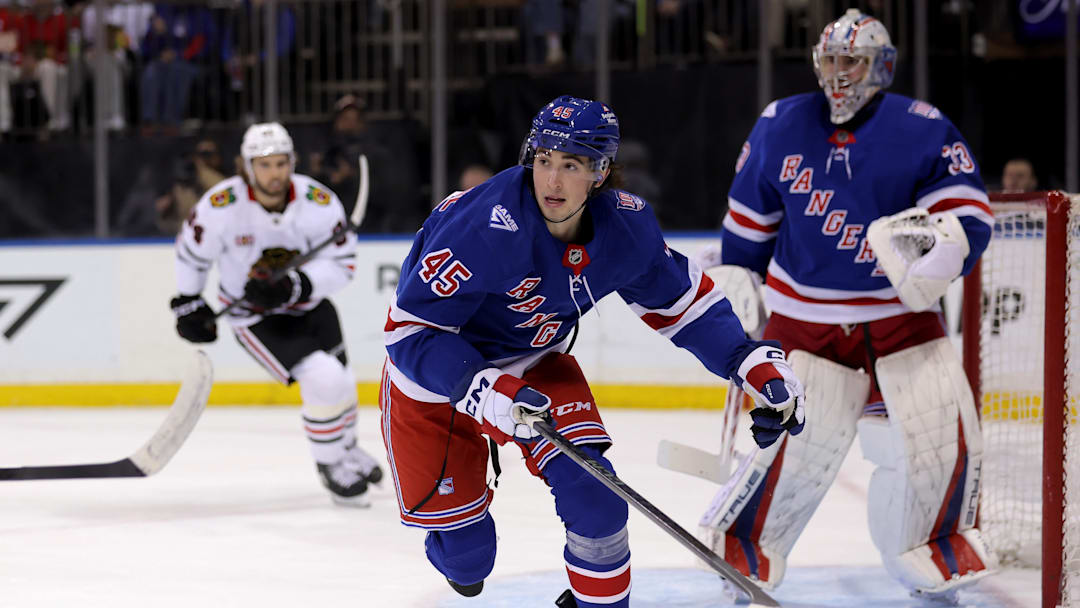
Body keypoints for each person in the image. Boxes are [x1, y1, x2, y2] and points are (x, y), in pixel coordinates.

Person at [379, 95, 807, 607]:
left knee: (599, 500)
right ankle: (460, 537)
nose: (552, 181)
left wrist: (748, 359)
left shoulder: (624, 228)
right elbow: (409, 332)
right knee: (469, 564)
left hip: (533, 365)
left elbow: (683, 305)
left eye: (571, 165)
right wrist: (476, 386)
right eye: (544, 161)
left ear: (601, 172)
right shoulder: (479, 226)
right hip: (435, 383)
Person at [699, 9, 998, 599]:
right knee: (788, 449)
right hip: (802, 318)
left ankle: (930, 552)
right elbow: (748, 226)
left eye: (852, 61)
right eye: (830, 60)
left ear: (880, 67)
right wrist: (736, 278)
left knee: (938, 440)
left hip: (900, 319)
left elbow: (970, 216)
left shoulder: (922, 126)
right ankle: (745, 549)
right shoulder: (779, 124)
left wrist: (945, 246)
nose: (839, 73)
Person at [169, 122, 383, 506]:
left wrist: (296, 285)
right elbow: (191, 253)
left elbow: (342, 263)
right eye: (264, 165)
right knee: (324, 378)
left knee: (345, 383)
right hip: (256, 317)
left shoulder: (318, 203)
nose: (274, 173)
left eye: (281, 163)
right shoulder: (221, 207)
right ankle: (330, 464)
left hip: (311, 306)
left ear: (293, 162)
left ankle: (347, 449)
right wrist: (189, 300)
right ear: (246, 167)